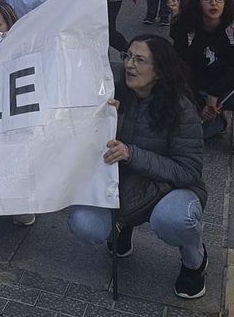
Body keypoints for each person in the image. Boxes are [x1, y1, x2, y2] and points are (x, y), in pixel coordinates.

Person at [66, 34, 208, 300]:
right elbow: (89, 44)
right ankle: (124, 226)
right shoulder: (115, 92)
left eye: (140, 60)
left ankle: (194, 262)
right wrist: (108, 122)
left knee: (174, 220)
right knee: (83, 222)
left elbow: (189, 171)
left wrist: (131, 154)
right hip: (124, 185)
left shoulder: (181, 109)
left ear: (159, 71)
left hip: (170, 189)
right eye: (128, 56)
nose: (130, 64)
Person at [170, 0, 234, 156]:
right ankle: (215, 122)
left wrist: (215, 94)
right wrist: (199, 102)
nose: (214, 4)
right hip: (197, 87)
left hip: (229, 88)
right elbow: (180, 67)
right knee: (188, 135)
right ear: (198, 2)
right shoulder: (187, 25)